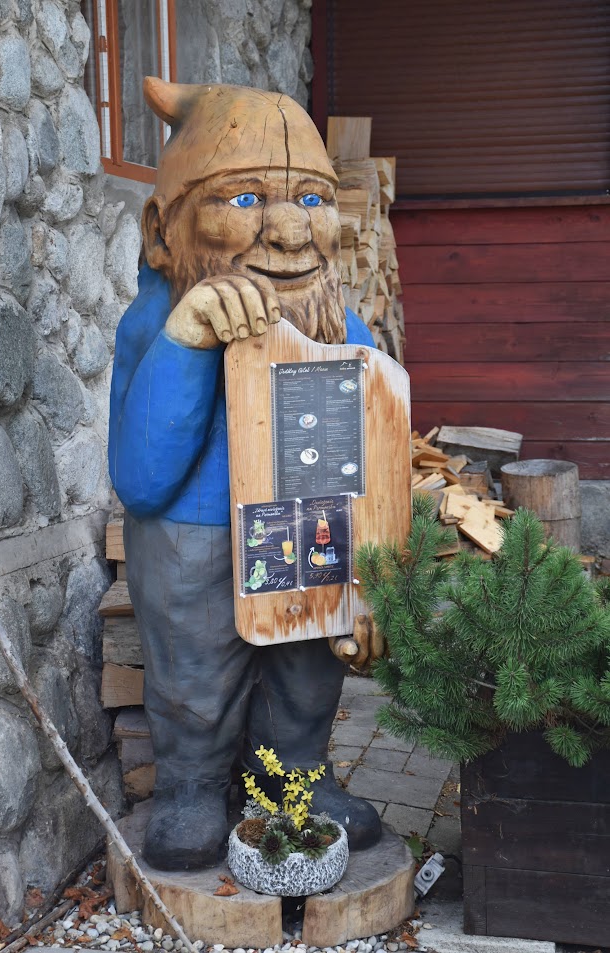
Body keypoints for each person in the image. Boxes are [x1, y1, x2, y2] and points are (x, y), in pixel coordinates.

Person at [109, 80, 382, 871]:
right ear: (162, 232)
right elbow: (142, 479)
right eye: (246, 198)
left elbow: (377, 443)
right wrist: (187, 338)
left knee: (305, 663)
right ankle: (191, 783)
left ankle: (292, 779)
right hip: (191, 531)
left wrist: (375, 571)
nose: (291, 230)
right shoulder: (152, 323)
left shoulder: (341, 325)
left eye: (312, 199)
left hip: (307, 518)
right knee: (193, 664)